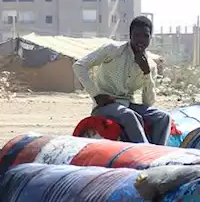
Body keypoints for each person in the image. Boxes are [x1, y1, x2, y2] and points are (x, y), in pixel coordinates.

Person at [73, 16, 171, 145]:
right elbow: (79, 66)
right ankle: (145, 153)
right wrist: (96, 95)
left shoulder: (151, 65)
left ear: (150, 38)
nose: (141, 40)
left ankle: (159, 154)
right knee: (129, 116)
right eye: (137, 35)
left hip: (128, 104)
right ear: (130, 36)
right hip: (105, 106)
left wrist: (146, 73)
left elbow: (148, 102)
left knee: (163, 117)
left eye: (145, 36)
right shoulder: (113, 50)